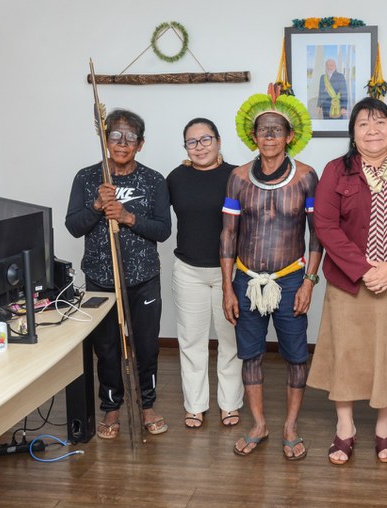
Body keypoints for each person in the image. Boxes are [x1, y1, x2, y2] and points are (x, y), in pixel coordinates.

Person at [308, 97, 387, 465]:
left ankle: (384, 425)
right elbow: (325, 226)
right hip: (349, 281)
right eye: (363, 124)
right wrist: (363, 269)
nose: (372, 130)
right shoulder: (336, 170)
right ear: (353, 134)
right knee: (347, 352)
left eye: (380, 122)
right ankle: (345, 426)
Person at [223, 85, 321, 460]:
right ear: (253, 135)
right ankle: (259, 424)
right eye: (262, 130)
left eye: (276, 130)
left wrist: (309, 283)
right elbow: (228, 235)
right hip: (246, 279)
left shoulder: (306, 177)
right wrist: (228, 288)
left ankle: (290, 426)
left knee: (296, 356)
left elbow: (317, 236)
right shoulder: (238, 178)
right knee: (250, 355)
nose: (268, 136)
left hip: (291, 279)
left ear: (290, 136)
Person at [65, 108, 171, 439]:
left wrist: (127, 218)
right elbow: (73, 226)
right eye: (115, 135)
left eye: (130, 138)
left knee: (146, 345)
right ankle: (111, 407)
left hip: (143, 278)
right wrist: (96, 207)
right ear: (104, 139)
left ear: (141, 144)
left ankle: (147, 405)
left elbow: (163, 230)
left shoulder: (154, 180)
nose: (122, 143)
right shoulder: (87, 178)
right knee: (107, 347)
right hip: (100, 278)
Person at [167, 118, 243, 429]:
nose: (199, 147)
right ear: (185, 147)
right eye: (192, 142)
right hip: (189, 271)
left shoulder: (237, 176)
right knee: (191, 342)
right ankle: (195, 406)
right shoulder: (176, 178)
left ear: (219, 141)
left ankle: (229, 404)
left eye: (206, 139)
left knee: (231, 342)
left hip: (230, 272)